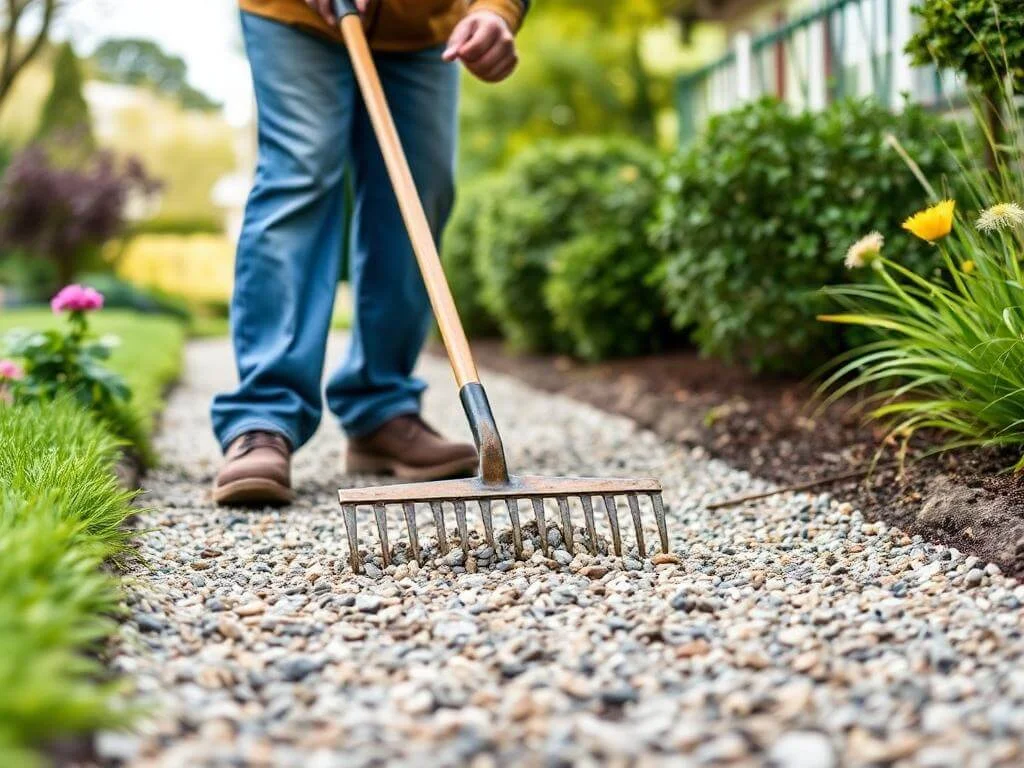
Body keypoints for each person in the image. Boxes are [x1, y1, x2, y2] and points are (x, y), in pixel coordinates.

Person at [212, 0, 527, 505]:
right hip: (297, 17)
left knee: (420, 187)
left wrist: (496, 11)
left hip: (422, 28)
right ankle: (263, 416)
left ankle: (380, 408)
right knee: (301, 172)